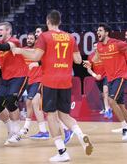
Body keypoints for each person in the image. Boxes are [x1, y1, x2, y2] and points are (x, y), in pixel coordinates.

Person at [12, 10, 93, 162]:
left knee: (51, 116)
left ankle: (62, 152)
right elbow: (77, 60)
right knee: (64, 115)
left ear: (48, 21)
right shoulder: (69, 37)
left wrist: (20, 51)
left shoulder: (44, 36)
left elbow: (36, 56)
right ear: (59, 22)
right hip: (66, 80)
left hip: (50, 81)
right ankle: (82, 136)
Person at [19, 33, 49, 140]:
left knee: (33, 101)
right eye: (28, 38)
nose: (29, 40)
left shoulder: (39, 51)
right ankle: (39, 130)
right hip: (29, 81)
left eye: (32, 38)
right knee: (32, 103)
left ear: (35, 40)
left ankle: (34, 129)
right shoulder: (24, 51)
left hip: (39, 80)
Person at [86, 43, 112, 119]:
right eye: (94, 46)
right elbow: (89, 69)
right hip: (97, 78)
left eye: (97, 46)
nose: (95, 48)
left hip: (106, 76)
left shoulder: (105, 54)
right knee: (103, 94)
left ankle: (107, 110)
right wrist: (95, 76)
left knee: (105, 92)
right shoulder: (90, 56)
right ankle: (108, 108)